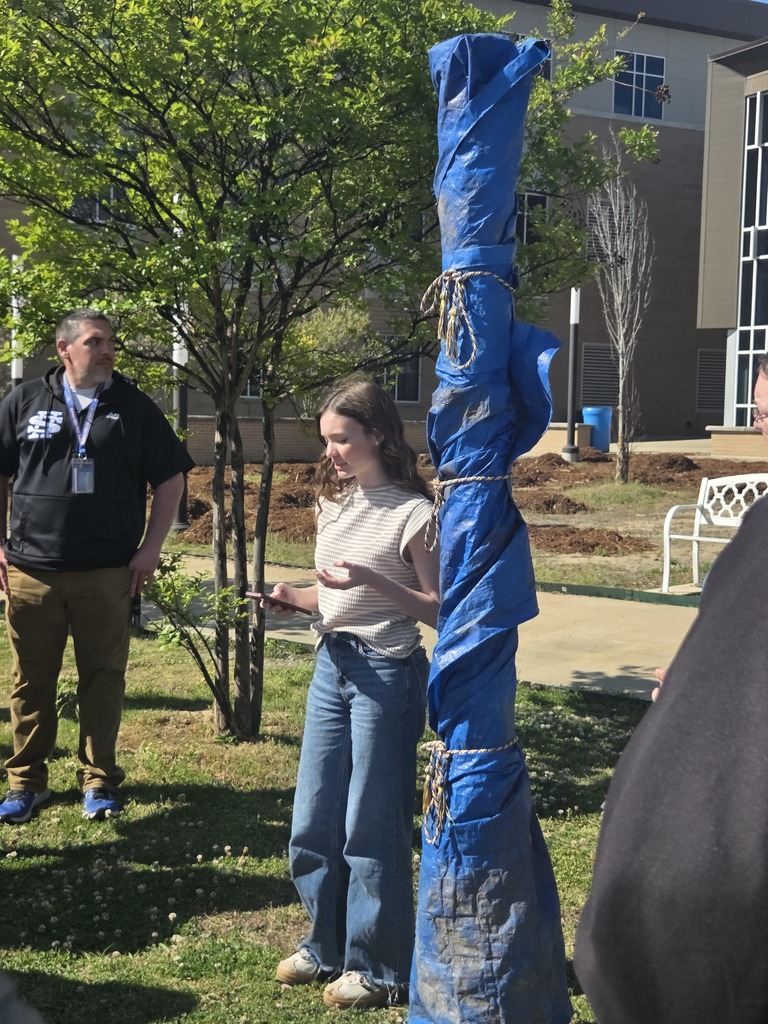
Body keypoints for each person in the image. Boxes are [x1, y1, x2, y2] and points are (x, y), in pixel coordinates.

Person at [574, 355, 768, 1023]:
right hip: (674, 900)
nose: (762, 433)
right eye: (761, 417)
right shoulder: (760, 527)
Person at [267, 376, 440, 1011]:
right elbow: (334, 597)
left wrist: (374, 578)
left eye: (341, 439)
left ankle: (380, 966)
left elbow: (438, 609)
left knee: (371, 822)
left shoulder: (414, 513)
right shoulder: (333, 503)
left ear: (375, 434)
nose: (331, 452)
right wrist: (293, 598)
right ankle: (325, 947)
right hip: (331, 664)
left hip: (387, 673)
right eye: (327, 441)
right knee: (313, 816)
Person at [0, 309, 194, 824]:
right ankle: (26, 782)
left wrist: (150, 548)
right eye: (96, 341)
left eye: (111, 342)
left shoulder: (132, 406)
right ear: (65, 348)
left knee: (103, 679)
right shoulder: (25, 400)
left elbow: (172, 477)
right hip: (30, 570)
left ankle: (99, 781)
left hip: (107, 571)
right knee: (30, 680)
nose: (109, 350)